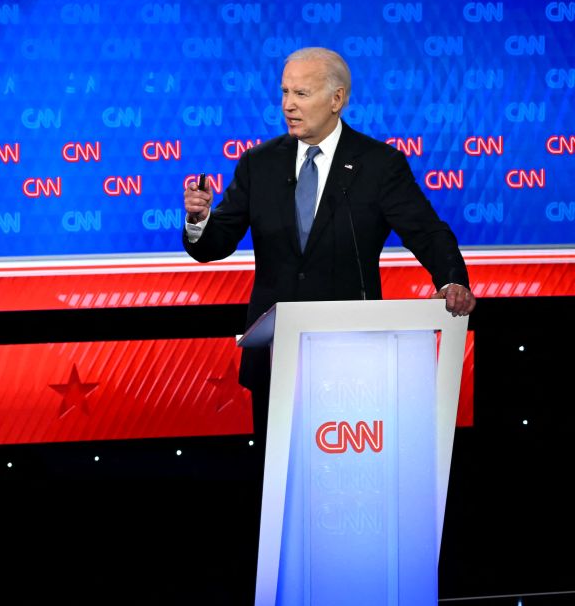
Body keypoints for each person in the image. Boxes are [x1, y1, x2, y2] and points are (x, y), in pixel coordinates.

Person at [182, 46, 475, 444]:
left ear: (337, 99)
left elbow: (427, 232)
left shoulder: (379, 164)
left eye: (301, 94)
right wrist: (200, 220)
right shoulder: (259, 163)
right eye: (284, 93)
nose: (288, 105)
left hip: (351, 356)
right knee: (276, 487)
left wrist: (451, 280)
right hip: (276, 355)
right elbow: (214, 244)